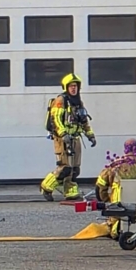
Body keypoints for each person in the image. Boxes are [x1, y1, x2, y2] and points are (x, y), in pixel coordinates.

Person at [40, 73, 96, 201]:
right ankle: (46, 186)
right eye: (71, 86)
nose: (73, 88)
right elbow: (56, 119)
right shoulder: (61, 101)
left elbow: (84, 120)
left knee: (75, 169)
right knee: (65, 167)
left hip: (75, 138)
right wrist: (63, 134)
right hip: (63, 139)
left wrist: (90, 135)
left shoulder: (78, 102)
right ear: (66, 87)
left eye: (75, 86)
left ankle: (70, 192)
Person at [95, 138, 136, 239]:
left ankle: (116, 230)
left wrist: (106, 200)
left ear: (125, 150)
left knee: (114, 223)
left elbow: (100, 186)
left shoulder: (115, 165)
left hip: (117, 203)